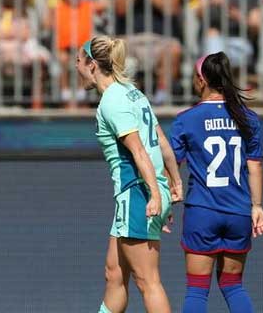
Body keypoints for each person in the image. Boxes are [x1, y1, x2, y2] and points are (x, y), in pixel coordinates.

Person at [75, 36, 183, 313]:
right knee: (114, 274)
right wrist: (174, 181)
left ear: (92, 64)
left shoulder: (112, 101)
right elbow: (160, 140)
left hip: (138, 193)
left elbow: (138, 151)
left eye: (77, 61)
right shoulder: (132, 93)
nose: (75, 67)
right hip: (143, 192)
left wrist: (156, 195)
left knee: (148, 281)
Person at [170, 52, 263, 313]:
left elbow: (172, 166)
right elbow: (255, 165)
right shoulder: (247, 117)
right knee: (233, 285)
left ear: (201, 80)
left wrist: (166, 198)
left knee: (197, 289)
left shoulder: (186, 119)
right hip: (239, 212)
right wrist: (257, 206)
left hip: (202, 210)